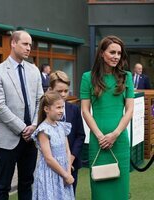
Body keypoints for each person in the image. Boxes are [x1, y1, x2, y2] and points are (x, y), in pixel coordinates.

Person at [0, 30, 43, 200]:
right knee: (3, 185)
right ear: (13, 43)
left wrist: (33, 126)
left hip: (31, 138)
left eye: (30, 45)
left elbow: (40, 100)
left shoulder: (34, 71)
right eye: (25, 44)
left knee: (27, 183)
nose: (29, 49)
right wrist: (22, 128)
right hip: (8, 138)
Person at [80, 35, 134, 200]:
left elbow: (129, 110)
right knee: (99, 189)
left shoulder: (127, 77)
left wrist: (115, 134)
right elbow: (85, 111)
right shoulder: (87, 77)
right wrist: (100, 136)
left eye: (119, 53)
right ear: (102, 53)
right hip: (98, 140)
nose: (116, 56)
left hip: (120, 141)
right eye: (112, 52)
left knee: (120, 189)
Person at [31, 91, 75, 200]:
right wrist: (65, 175)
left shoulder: (62, 126)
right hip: (50, 174)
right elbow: (49, 159)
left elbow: (67, 151)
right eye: (58, 107)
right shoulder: (43, 130)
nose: (61, 111)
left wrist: (68, 173)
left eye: (62, 107)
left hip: (64, 171)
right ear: (46, 109)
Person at [49, 70, 85, 194]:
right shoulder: (46, 112)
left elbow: (80, 135)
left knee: (70, 193)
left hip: (73, 162)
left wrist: (71, 158)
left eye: (66, 90)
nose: (64, 94)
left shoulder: (74, 109)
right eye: (59, 91)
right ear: (50, 90)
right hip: (52, 164)